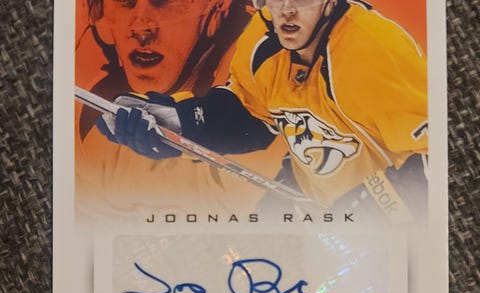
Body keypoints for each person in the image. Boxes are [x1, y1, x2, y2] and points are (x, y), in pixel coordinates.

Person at [98, 0, 429, 223]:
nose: (286, 11)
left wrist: (362, 211)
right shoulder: (263, 35)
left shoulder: (374, 48)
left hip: (388, 216)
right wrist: (182, 122)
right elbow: (250, 115)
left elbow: (437, 155)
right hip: (310, 201)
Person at [76, 0, 285, 219]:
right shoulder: (86, 97)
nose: (141, 28)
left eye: (165, 2)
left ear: (217, 8)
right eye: (125, 1)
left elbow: (230, 203)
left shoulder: (268, 60)